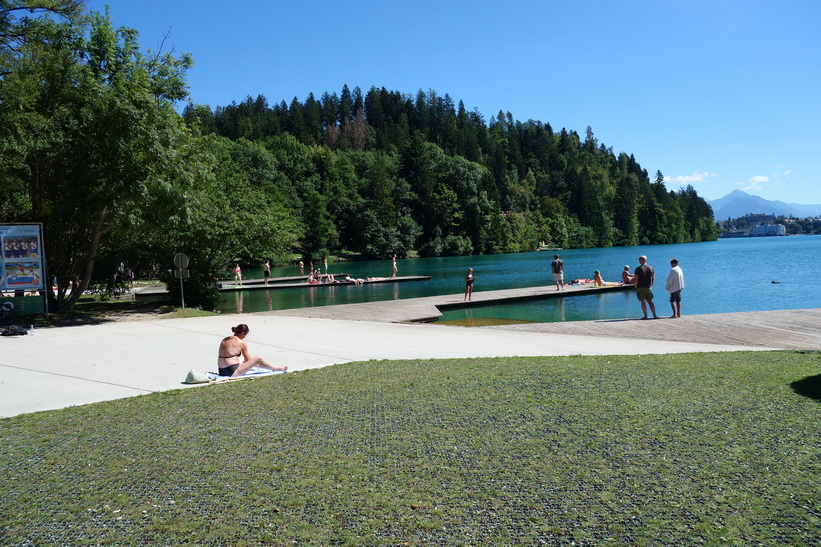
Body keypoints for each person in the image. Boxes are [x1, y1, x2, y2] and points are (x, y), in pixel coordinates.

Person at [217, 324, 287, 377]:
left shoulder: (225, 339)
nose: (244, 337)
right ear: (243, 333)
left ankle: (264, 366)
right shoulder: (241, 342)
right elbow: (248, 360)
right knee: (258, 358)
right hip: (232, 372)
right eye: (245, 335)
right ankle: (276, 368)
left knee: (241, 357)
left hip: (221, 371)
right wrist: (256, 364)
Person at [633, 255, 658, 319]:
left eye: (640, 259)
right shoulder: (651, 268)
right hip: (648, 287)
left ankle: (646, 316)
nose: (639, 260)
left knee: (643, 302)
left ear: (643, 260)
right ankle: (655, 315)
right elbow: (653, 278)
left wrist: (635, 287)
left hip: (640, 287)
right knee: (650, 301)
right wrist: (651, 285)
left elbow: (636, 279)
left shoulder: (638, 269)